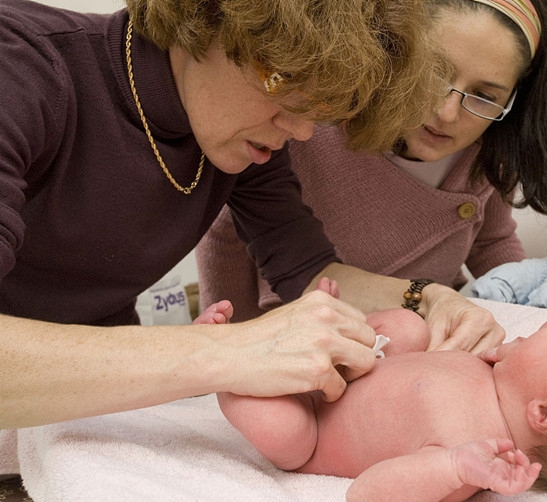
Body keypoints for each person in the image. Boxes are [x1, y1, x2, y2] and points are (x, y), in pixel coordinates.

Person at [0, 0, 507, 429]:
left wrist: (428, 297)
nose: (303, 130)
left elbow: (309, 271)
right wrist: (227, 353)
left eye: (324, 105)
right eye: (288, 85)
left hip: (90, 412)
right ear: (211, 18)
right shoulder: (22, 68)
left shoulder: (238, 138)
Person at [195, 0, 547, 323]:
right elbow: (226, 232)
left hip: (426, 337)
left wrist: (528, 294)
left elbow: (491, 240)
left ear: (513, 102)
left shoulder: (489, 151)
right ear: (394, 50)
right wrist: (232, 346)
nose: (447, 112)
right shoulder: (306, 129)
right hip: (309, 332)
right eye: (432, 74)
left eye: (485, 95)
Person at [215, 279, 547, 502]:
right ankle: (325, 324)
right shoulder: (497, 371)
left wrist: (451, 467)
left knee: (284, 430)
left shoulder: (470, 459)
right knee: (407, 327)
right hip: (351, 370)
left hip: (314, 430)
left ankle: (221, 358)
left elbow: (367, 493)